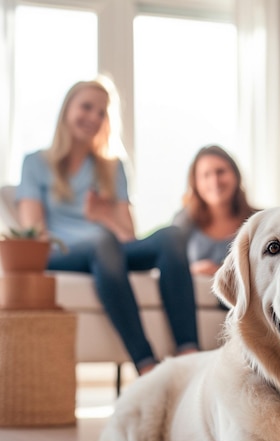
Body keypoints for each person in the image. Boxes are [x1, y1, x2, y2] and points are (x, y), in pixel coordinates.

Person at [15, 76, 199, 375]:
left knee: (171, 236)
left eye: (102, 113)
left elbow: (127, 235)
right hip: (61, 252)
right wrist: (101, 231)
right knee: (102, 242)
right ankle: (146, 365)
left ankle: (190, 356)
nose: (94, 118)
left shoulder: (113, 168)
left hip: (111, 250)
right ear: (67, 110)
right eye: (87, 107)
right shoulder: (36, 163)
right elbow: (35, 234)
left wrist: (103, 214)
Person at [174, 145, 257, 276]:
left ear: (235, 175)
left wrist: (219, 271)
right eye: (206, 175)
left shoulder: (259, 221)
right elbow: (172, 271)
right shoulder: (184, 221)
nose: (215, 181)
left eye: (220, 172)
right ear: (195, 183)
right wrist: (191, 271)